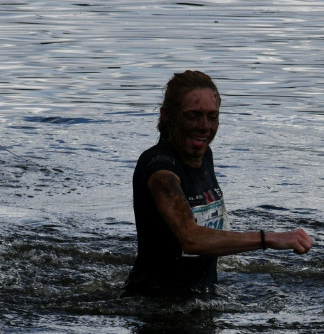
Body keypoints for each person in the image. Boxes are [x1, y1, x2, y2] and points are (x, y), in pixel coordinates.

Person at [123, 70, 314, 296]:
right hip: (154, 307)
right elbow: (191, 238)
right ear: (167, 115)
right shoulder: (160, 172)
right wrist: (269, 238)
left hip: (200, 299)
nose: (205, 127)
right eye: (193, 116)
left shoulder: (203, 156)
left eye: (212, 117)